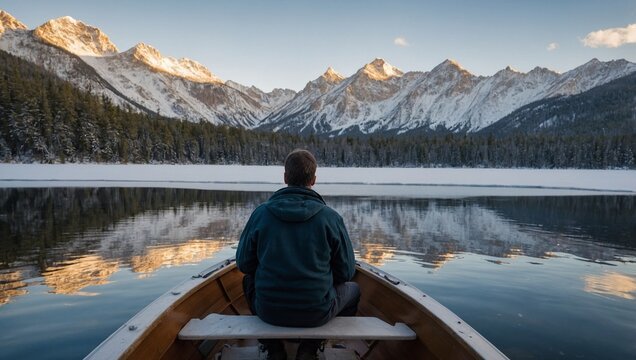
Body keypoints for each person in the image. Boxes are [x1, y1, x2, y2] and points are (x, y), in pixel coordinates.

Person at [236, 149, 360, 360]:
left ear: (285, 178)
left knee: (248, 281)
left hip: (268, 310)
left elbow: (244, 265)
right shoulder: (331, 218)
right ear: (313, 180)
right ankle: (310, 348)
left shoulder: (261, 214)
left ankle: (273, 349)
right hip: (317, 312)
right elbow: (346, 272)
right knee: (354, 290)